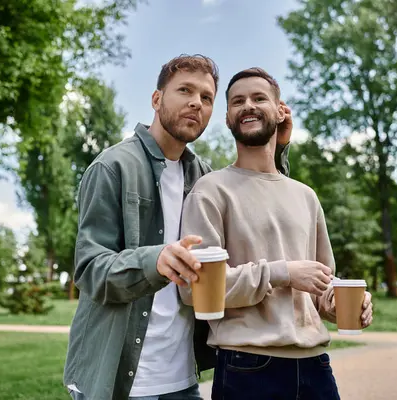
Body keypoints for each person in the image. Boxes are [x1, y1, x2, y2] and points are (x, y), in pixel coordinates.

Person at [63, 55, 293, 400]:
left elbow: (258, 217)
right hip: (119, 380)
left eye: (206, 97)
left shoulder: (202, 176)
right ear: (157, 100)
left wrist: (277, 148)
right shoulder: (112, 167)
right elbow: (89, 268)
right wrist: (154, 261)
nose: (195, 103)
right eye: (184, 90)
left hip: (181, 380)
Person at [178, 67, 374, 400]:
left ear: (280, 110)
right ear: (228, 118)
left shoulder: (305, 196)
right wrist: (281, 272)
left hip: (316, 366)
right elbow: (194, 290)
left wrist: (343, 305)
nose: (248, 106)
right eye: (238, 101)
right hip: (248, 368)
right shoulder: (210, 191)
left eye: (259, 98)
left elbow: (321, 285)